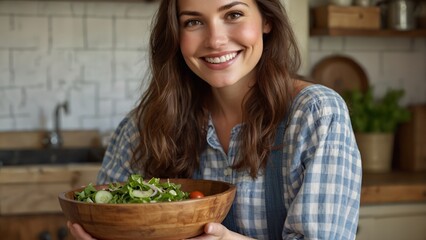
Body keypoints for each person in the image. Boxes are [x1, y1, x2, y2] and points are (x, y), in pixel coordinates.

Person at [68, 0, 362, 239]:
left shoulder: (317, 113)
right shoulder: (144, 126)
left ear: (267, 20)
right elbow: (102, 219)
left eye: (233, 14)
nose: (216, 40)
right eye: (193, 22)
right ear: (175, 34)